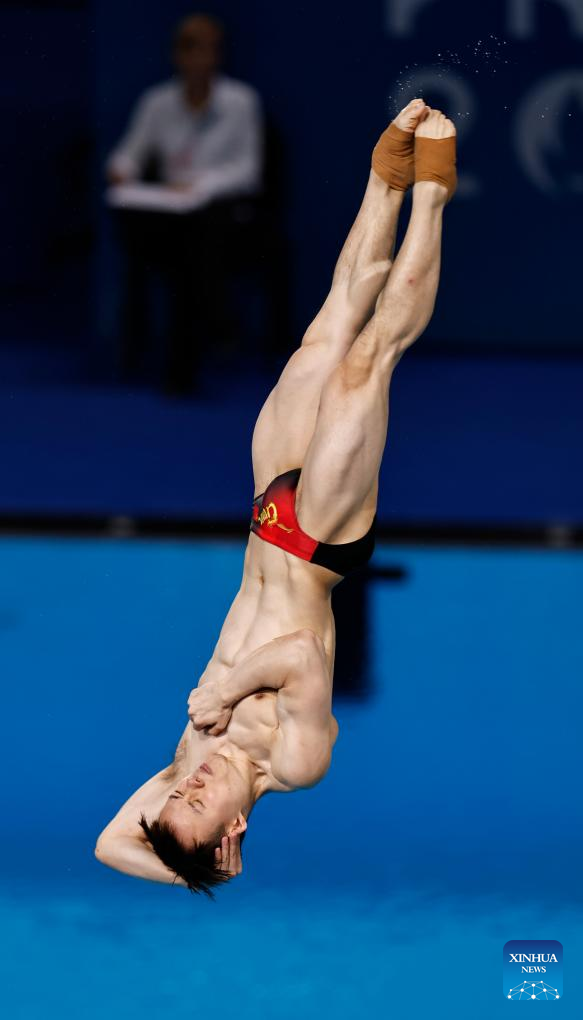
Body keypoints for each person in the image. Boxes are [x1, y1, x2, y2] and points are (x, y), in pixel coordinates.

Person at [95, 101, 457, 896]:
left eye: (175, 798)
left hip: (265, 516)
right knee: (366, 363)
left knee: (325, 333)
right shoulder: (296, 762)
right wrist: (223, 693)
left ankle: (385, 180)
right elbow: (298, 657)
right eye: (198, 803)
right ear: (235, 829)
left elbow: (108, 848)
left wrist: (196, 867)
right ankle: (432, 197)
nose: (187, 786)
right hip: (320, 540)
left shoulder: (189, 763)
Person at [106, 13, 263, 395]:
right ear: (177, 55)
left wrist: (201, 187)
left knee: (198, 244)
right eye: (189, 48)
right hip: (169, 219)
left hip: (223, 215)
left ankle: (185, 364)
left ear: (218, 55)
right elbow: (128, 154)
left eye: (205, 49)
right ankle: (213, 330)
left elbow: (248, 169)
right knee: (179, 245)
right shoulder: (156, 102)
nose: (197, 58)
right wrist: (122, 170)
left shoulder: (241, 102)